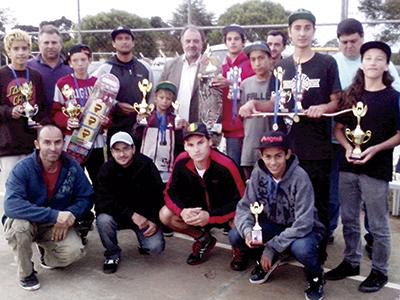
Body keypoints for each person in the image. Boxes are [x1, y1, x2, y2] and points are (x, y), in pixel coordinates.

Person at [239, 9, 341, 245]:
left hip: (317, 147)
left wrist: (323, 108)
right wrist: (253, 103)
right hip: (288, 149)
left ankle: (317, 250)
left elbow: (337, 102)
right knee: (287, 202)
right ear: (290, 32)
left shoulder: (326, 62)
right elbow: (275, 103)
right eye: (297, 28)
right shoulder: (281, 66)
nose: (302, 33)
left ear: (314, 31)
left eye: (307, 28)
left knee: (318, 203)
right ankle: (287, 245)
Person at [325, 41, 400, 293]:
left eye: (379, 58)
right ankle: (351, 261)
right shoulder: (351, 94)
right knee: (348, 218)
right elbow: (338, 128)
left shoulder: (394, 98)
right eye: (368, 58)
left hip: (376, 168)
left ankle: (379, 269)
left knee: (377, 222)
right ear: (362, 62)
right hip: (349, 166)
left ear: (386, 64)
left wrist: (375, 149)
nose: (373, 62)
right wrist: (347, 148)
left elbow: (399, 134)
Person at [229, 131, 325, 300]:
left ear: (288, 154)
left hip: (302, 231)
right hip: (273, 225)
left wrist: (272, 247)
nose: (273, 162)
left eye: (278, 156)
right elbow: (244, 207)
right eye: (268, 156)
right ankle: (267, 261)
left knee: (301, 249)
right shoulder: (258, 173)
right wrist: (248, 231)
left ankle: (316, 276)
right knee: (236, 235)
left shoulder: (300, 177)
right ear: (261, 155)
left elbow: (304, 223)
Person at [3, 124, 94, 291]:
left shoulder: (72, 166)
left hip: (52, 225)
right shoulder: (23, 168)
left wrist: (70, 215)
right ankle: (26, 273)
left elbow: (87, 196)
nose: (53, 148)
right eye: (47, 142)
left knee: (74, 252)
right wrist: (54, 215)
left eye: (58, 142)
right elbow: (11, 205)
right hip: (27, 221)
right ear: (37, 144)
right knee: (20, 228)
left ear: (63, 143)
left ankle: (46, 256)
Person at [159, 122, 245, 265]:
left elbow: (242, 201)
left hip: (224, 213)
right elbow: (169, 193)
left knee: (239, 221)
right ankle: (204, 239)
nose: (196, 150)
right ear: (185, 146)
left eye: (200, 143)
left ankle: (240, 250)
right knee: (165, 214)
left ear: (210, 142)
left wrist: (210, 217)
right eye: (191, 145)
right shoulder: (181, 161)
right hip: (198, 211)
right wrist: (183, 211)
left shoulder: (227, 165)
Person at [95, 131, 165, 274]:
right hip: (119, 216)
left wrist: (154, 220)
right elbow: (102, 203)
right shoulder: (105, 170)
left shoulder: (146, 165)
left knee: (155, 248)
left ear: (133, 149)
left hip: (144, 218)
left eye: (126, 148)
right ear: (112, 152)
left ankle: (143, 243)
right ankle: (112, 254)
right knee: (103, 220)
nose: (122, 154)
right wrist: (131, 214)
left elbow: (158, 195)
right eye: (117, 150)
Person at [52, 44, 108, 187]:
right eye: (75, 60)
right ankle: (76, 210)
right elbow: (56, 111)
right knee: (74, 179)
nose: (80, 64)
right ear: (70, 63)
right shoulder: (62, 84)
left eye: (83, 59)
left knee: (99, 179)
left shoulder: (98, 83)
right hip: (73, 140)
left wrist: (106, 121)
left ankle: (101, 208)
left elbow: (108, 109)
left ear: (89, 60)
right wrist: (66, 121)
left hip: (96, 140)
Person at [0, 29, 47, 194]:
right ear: (8, 50)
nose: (21, 52)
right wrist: (8, 111)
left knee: (33, 189)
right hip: (9, 144)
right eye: (16, 48)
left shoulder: (35, 76)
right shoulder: (2, 74)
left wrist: (42, 124)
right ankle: (9, 221)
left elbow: (41, 106)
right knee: (11, 190)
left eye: (25, 48)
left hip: (32, 143)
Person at [92, 26, 153, 148]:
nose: (124, 41)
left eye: (127, 38)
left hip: (142, 127)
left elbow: (153, 95)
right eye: (119, 39)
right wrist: (116, 104)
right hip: (116, 126)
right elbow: (96, 96)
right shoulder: (106, 69)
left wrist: (147, 113)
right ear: (114, 44)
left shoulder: (145, 67)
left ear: (133, 42)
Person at [211, 24, 254, 166]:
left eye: (236, 39)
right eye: (229, 39)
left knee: (247, 166)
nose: (233, 42)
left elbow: (253, 89)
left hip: (248, 125)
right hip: (229, 127)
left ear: (243, 42)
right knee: (232, 167)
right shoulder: (222, 68)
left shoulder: (250, 65)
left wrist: (231, 83)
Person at [132, 81, 184, 183]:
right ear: (155, 98)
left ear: (172, 101)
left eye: (168, 99)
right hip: (146, 163)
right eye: (161, 98)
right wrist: (138, 124)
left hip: (166, 165)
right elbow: (136, 137)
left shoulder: (174, 119)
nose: (165, 101)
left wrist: (180, 130)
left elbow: (179, 143)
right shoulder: (147, 116)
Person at [159, 26, 209, 123]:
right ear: (182, 43)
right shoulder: (170, 66)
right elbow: (157, 95)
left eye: (196, 41)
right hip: (171, 126)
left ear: (202, 43)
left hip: (198, 128)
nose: (192, 45)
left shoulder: (211, 66)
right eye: (188, 41)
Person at [240, 41, 272, 179]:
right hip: (251, 144)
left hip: (272, 144)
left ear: (270, 59)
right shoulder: (245, 84)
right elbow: (240, 113)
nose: (257, 63)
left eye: (261, 58)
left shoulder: (278, 81)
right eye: (253, 59)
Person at [27, 25, 73, 114]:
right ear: (39, 45)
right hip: (37, 122)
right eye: (46, 42)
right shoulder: (27, 67)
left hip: (66, 122)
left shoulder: (71, 68)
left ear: (61, 45)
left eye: (54, 42)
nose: (50, 46)